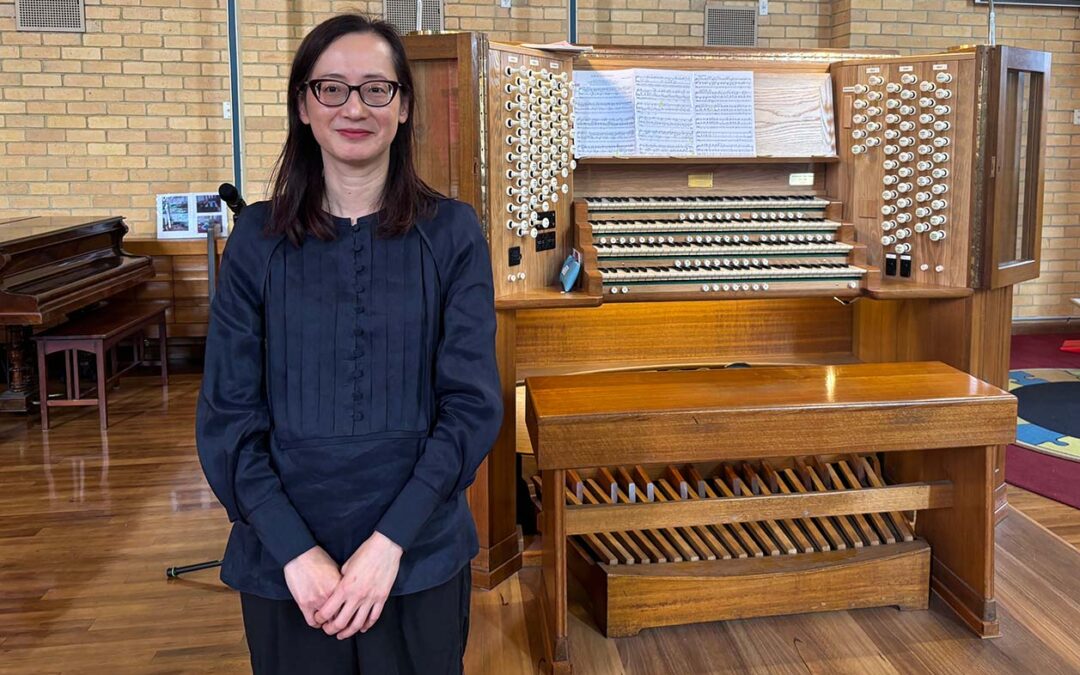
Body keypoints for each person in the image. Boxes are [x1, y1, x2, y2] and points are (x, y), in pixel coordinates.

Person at [195, 13, 502, 675]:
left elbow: (471, 408)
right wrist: (294, 551)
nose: (354, 106)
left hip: (416, 553)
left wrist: (389, 542)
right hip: (287, 565)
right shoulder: (255, 240)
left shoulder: (452, 234)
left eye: (375, 89)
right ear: (304, 106)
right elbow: (228, 416)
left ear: (404, 106)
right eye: (331, 88)